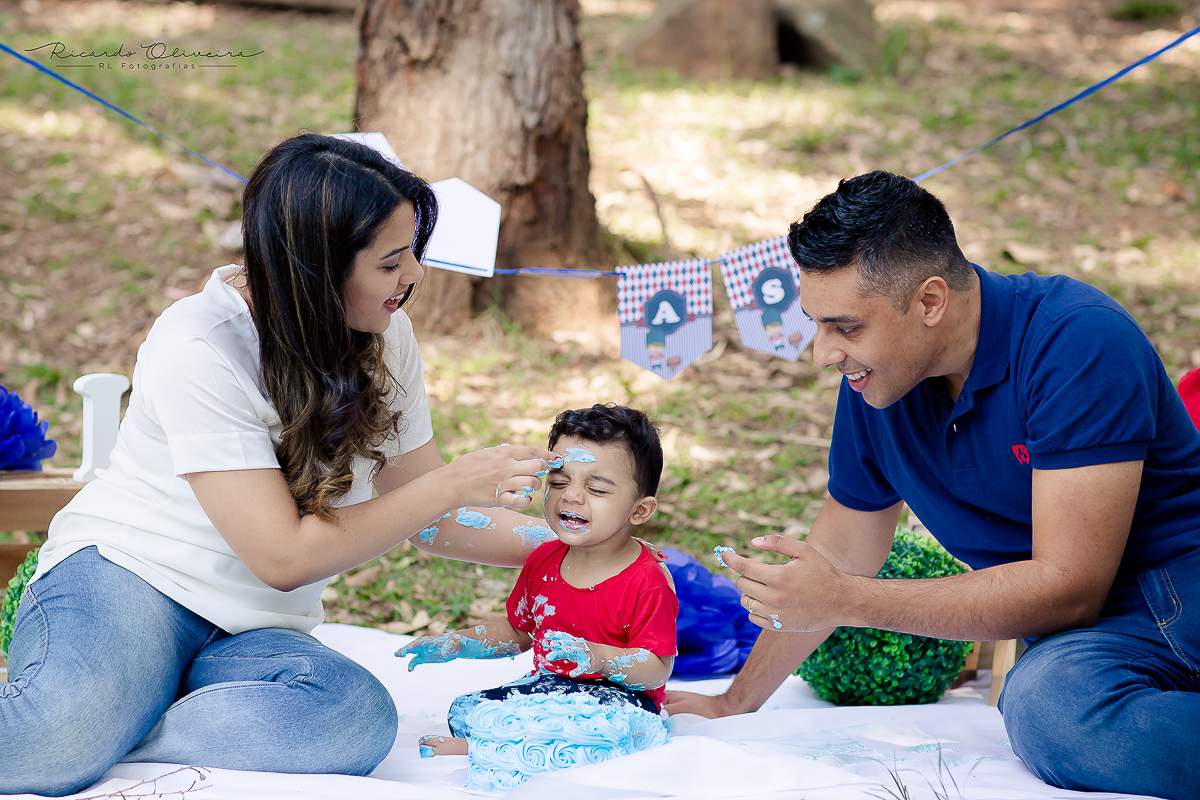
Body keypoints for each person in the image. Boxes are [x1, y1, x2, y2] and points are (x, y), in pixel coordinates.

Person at [0, 133, 565, 797]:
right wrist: (452, 483)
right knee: (50, 744)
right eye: (390, 262)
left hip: (250, 632)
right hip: (133, 582)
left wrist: (580, 547)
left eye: (412, 251)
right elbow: (284, 556)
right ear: (316, 271)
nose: (414, 275)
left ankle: (122, 722)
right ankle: (98, 722)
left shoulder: (385, 337)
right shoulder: (199, 345)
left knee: (351, 718)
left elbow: (430, 518)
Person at [663, 171, 1200, 800]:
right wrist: (734, 703)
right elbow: (838, 556)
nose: (822, 354)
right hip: (1091, 643)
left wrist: (849, 600)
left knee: (1049, 709)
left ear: (930, 302)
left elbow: (1069, 589)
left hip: (1177, 594)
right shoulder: (877, 383)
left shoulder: (1077, 339)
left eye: (846, 327)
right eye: (816, 324)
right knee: (1047, 706)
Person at [397, 404, 678, 756]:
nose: (571, 495)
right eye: (558, 482)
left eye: (597, 489)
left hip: (619, 703)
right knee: (466, 710)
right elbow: (519, 633)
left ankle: (494, 748)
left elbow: (657, 670)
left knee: (595, 726)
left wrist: (599, 658)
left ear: (639, 510)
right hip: (549, 691)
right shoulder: (544, 560)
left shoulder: (647, 580)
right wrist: (458, 643)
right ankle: (512, 744)